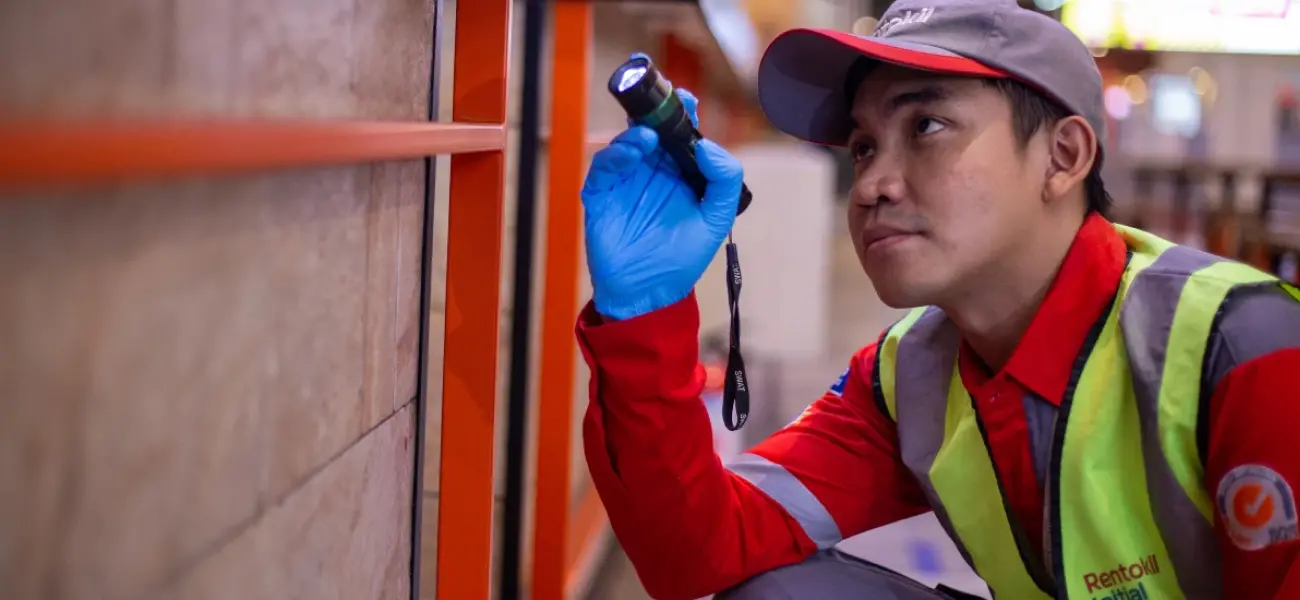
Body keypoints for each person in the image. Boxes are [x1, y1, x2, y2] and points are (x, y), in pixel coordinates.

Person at [575, 0, 1300, 598]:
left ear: (1063, 157)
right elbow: (700, 551)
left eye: (926, 127)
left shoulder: (1240, 350)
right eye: (863, 147)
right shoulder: (910, 378)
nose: (870, 185)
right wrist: (643, 317)